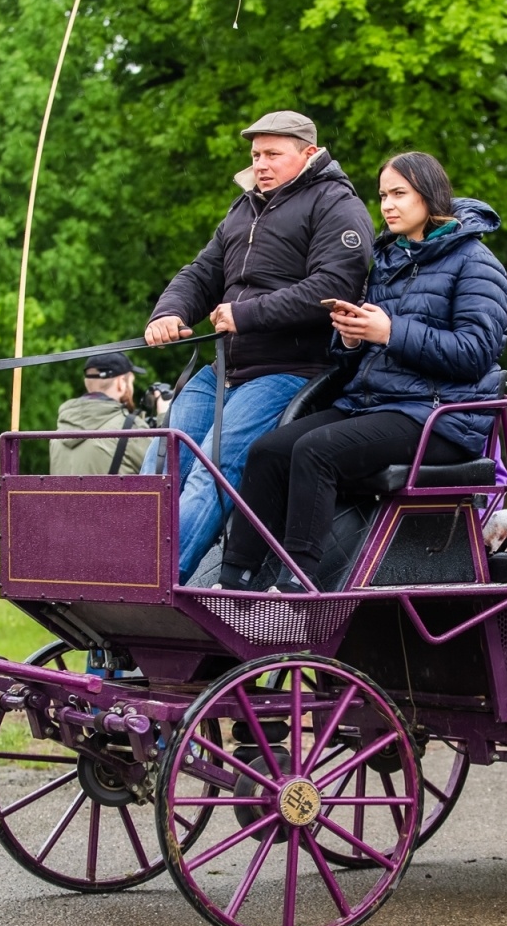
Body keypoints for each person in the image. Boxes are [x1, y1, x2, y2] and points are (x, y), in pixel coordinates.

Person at [217, 152, 507, 591]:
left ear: (429, 196)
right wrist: (352, 338)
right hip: (373, 405)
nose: (387, 205)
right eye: (383, 195)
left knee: (316, 451)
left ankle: (299, 583)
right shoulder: (388, 260)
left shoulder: (477, 264)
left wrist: (390, 331)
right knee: (268, 451)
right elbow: (365, 351)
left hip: (439, 417)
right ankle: (233, 582)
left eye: (399, 194)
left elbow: (475, 353)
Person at [141, 110, 375, 582]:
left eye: (272, 154)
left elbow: (334, 286)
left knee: (214, 468)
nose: (260, 164)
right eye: (255, 155)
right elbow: (201, 273)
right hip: (223, 369)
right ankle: (117, 570)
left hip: (289, 369)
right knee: (160, 463)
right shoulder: (243, 207)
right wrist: (168, 312)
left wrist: (245, 315)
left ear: (309, 154)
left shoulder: (337, 205)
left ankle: (156, 580)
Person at [49, 352, 153, 477]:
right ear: (121, 383)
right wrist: (165, 416)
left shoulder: (58, 434)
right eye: (131, 382)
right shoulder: (131, 429)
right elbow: (165, 473)